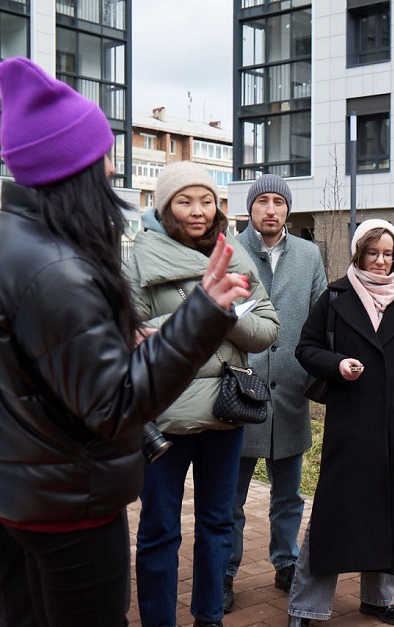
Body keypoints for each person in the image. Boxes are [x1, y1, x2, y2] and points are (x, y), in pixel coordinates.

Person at [0, 57, 248, 627]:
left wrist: (110, 340)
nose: (111, 169)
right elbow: (115, 406)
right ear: (74, 167)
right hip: (62, 509)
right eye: (102, 155)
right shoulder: (57, 268)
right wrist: (200, 315)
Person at [127, 160, 279, 627]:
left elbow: (268, 329)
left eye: (207, 201)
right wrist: (204, 311)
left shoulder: (233, 253)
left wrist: (225, 315)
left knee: (217, 525)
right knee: (158, 530)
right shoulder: (139, 257)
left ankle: (209, 616)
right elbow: (125, 336)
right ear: (166, 207)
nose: (198, 210)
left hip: (224, 411)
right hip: (164, 418)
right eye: (185, 201)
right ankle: (158, 620)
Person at [288, 219, 394, 626]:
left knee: (387, 508)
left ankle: (377, 599)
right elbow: (306, 348)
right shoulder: (334, 297)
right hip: (349, 422)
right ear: (359, 253)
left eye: (389, 254)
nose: (382, 261)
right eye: (374, 252)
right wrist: (337, 365)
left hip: (393, 424)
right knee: (333, 510)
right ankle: (306, 607)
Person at [223, 174, 328, 610]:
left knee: (289, 494)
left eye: (278, 202)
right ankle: (225, 570)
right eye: (262, 201)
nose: (271, 209)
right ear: (250, 209)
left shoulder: (309, 253)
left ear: (287, 209)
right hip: (238, 390)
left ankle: (286, 563)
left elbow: (322, 312)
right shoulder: (228, 251)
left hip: (290, 391)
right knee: (231, 498)